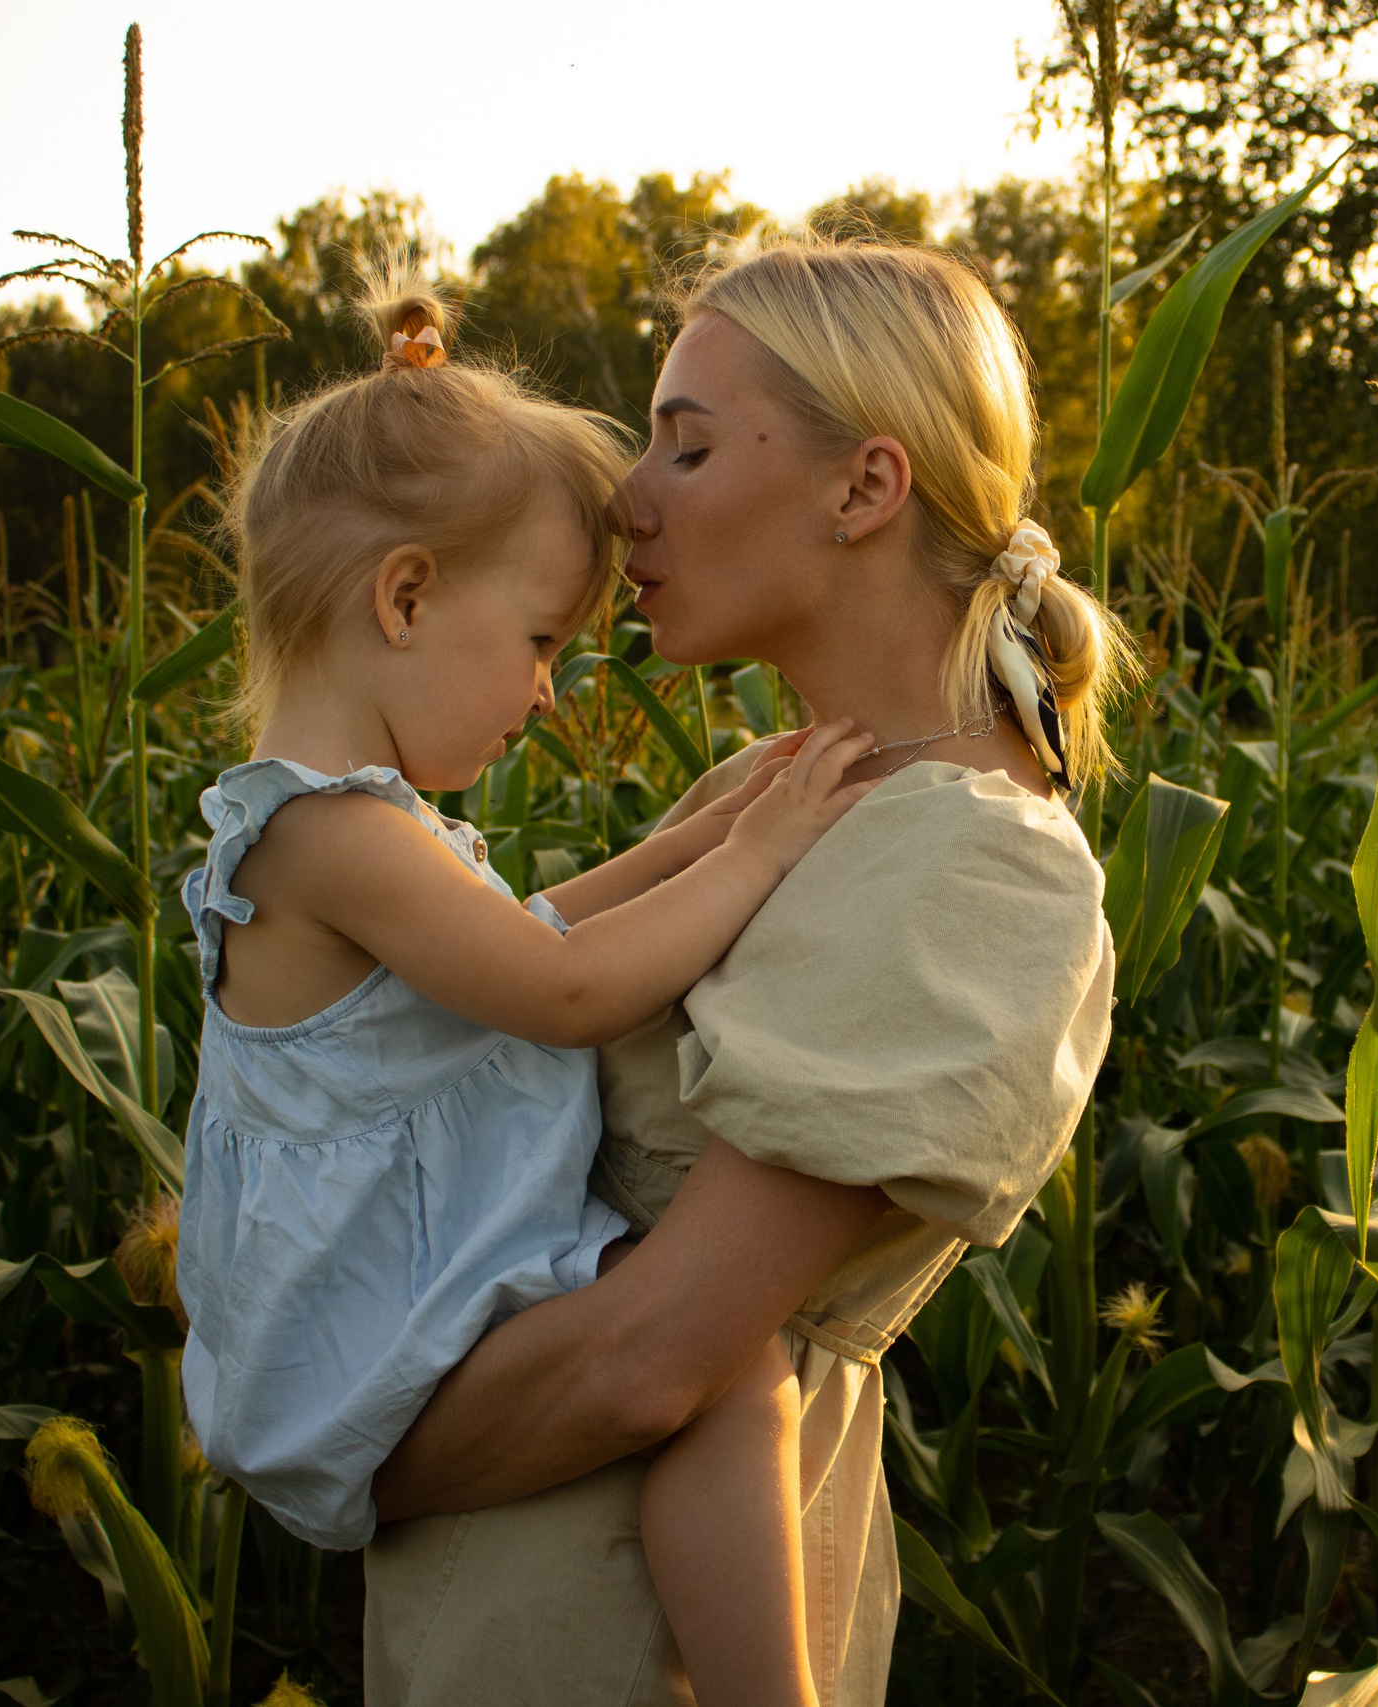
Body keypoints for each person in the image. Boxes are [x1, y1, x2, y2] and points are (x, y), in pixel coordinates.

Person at [361, 235, 1126, 1707]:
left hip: (642, 1637)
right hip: (503, 1601)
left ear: (866, 488)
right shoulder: (776, 789)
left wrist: (333, 1453)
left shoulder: (976, 864)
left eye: (688, 446)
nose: (625, 498)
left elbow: (650, 1361)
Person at [174, 273, 872, 1707]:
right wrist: (759, 853)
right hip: (375, 1317)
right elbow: (558, 987)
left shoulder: (355, 831)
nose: (549, 691)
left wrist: (698, 837)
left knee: (724, 1384)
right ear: (407, 598)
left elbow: (524, 929)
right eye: (542, 639)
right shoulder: (331, 836)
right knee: (732, 1377)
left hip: (416, 1280)